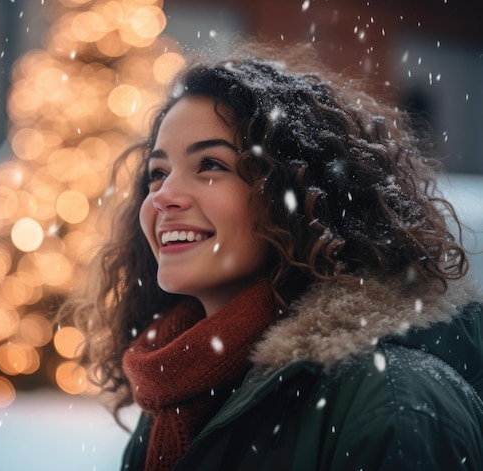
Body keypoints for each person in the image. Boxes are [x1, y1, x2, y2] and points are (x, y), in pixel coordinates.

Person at [57, 42, 483, 470]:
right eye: (158, 173)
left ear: (297, 197)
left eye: (210, 165)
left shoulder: (390, 401)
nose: (164, 196)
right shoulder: (174, 403)